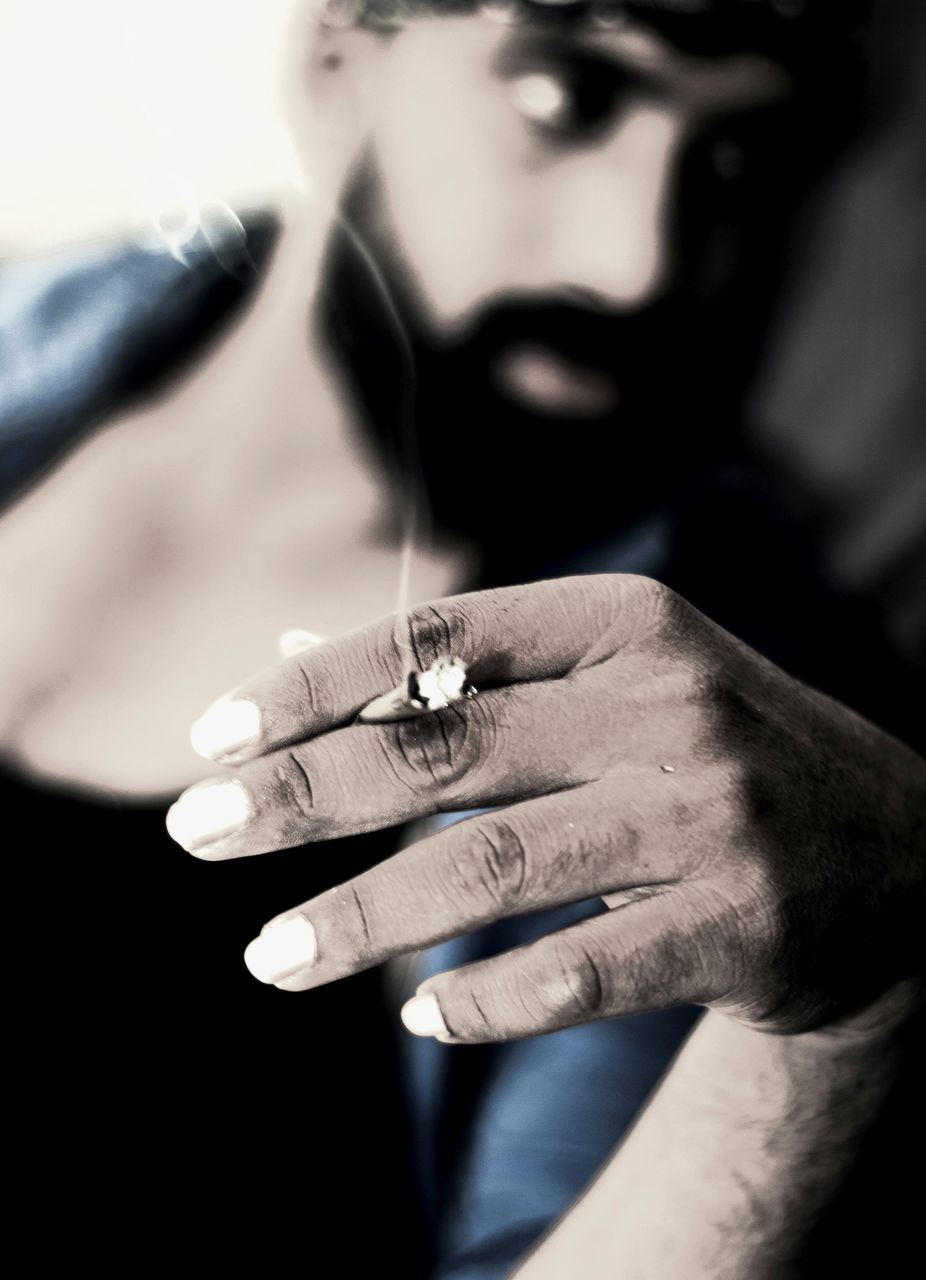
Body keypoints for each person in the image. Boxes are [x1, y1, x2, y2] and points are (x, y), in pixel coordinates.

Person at [1, 0, 922, 1274]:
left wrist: (842, 1020)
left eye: (733, 165)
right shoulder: (40, 328)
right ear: (339, 54)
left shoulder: (735, 707)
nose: (636, 260)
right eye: (564, 95)